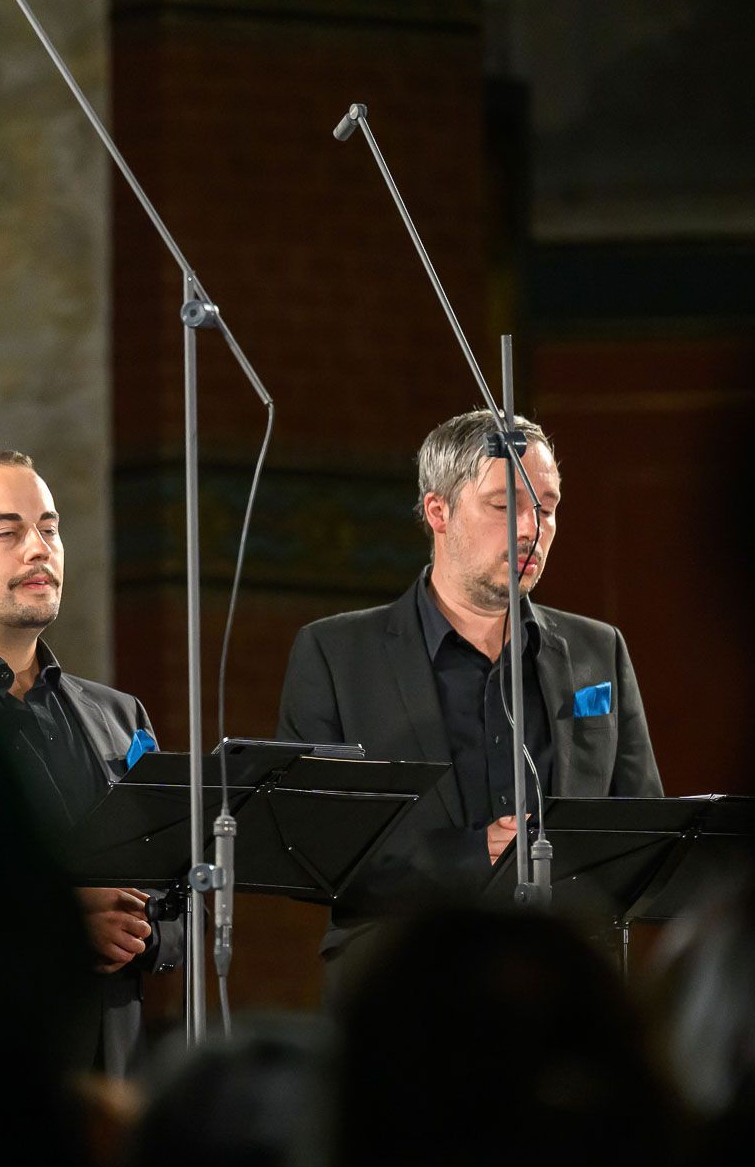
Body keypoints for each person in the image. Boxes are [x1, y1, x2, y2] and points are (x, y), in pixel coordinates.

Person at [277, 410, 662, 981]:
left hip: (566, 983)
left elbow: (646, 831)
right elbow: (312, 849)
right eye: (505, 507)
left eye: (548, 508)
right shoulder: (336, 654)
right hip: (403, 982)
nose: (532, 529)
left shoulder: (597, 649)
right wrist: (473, 854)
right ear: (438, 511)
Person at [0, 449, 182, 1077]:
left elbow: (180, 890)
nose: (39, 549)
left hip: (114, 1071)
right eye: (7, 532)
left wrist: (144, 931)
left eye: (50, 529)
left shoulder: (120, 714)